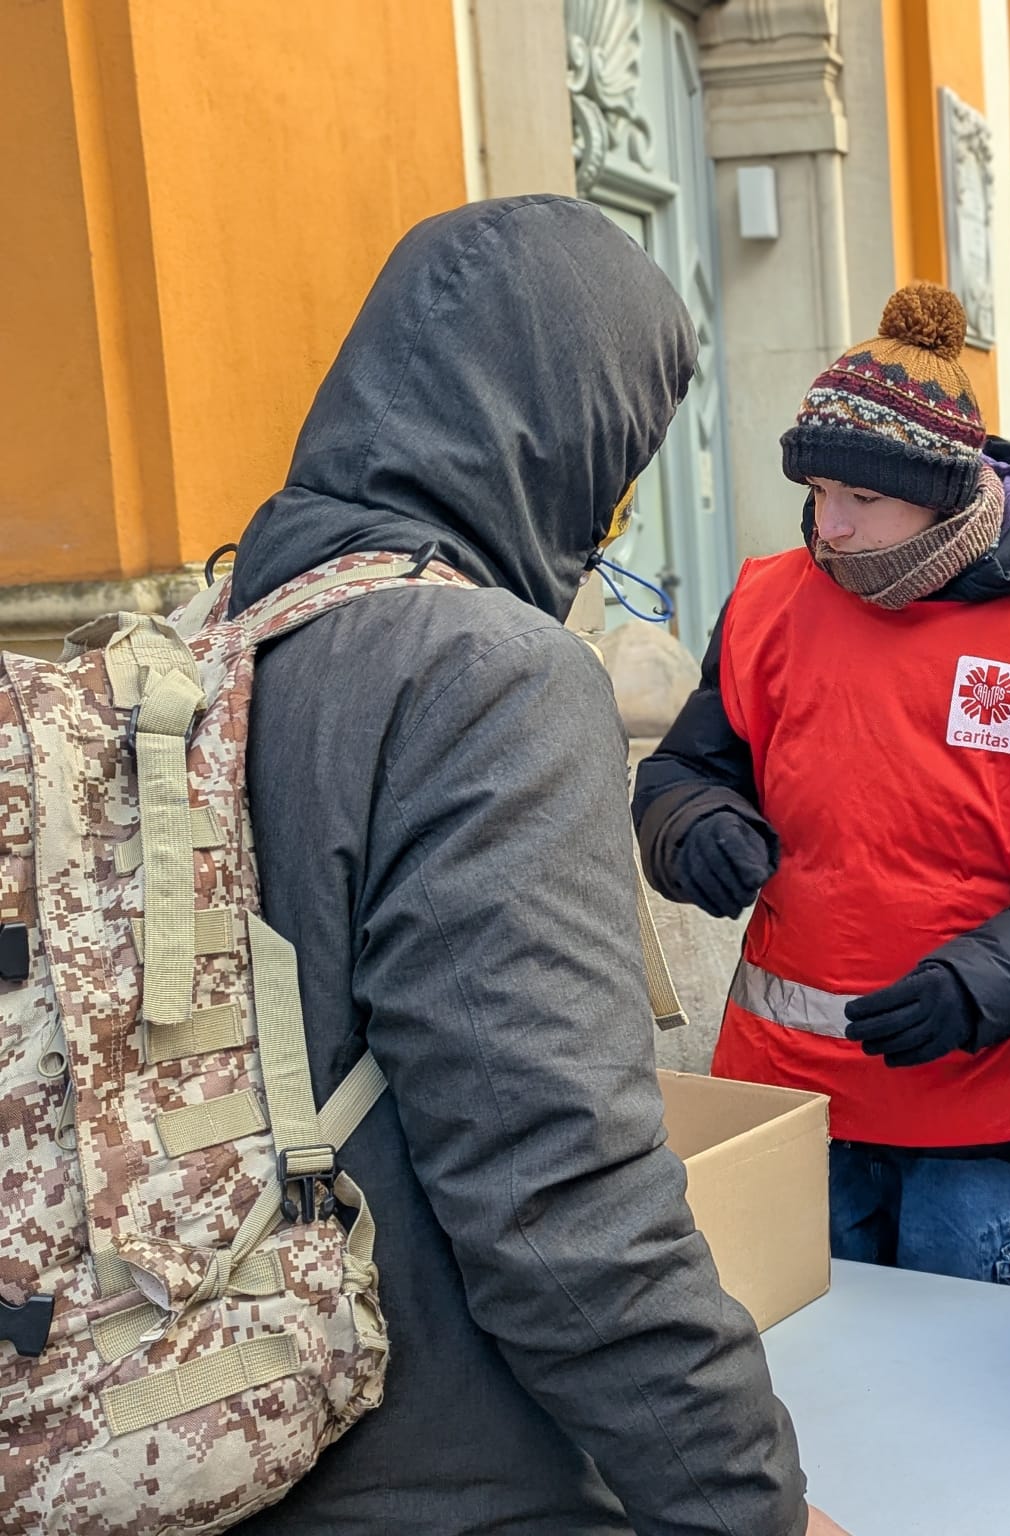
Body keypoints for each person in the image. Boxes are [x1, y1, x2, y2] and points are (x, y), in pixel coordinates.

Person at [227, 197, 840, 1535]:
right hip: (441, 1476)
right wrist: (757, 1509)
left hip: (217, 1427)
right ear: (574, 438)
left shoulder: (217, 638)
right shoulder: (486, 677)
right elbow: (563, 1203)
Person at [634, 283, 1010, 1290]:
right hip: (789, 1107)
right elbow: (686, 769)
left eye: (862, 499)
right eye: (817, 493)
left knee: (968, 1376)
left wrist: (983, 984)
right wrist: (693, 826)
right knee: (809, 1371)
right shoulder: (768, 603)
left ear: (942, 489)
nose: (830, 528)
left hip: (977, 1121)